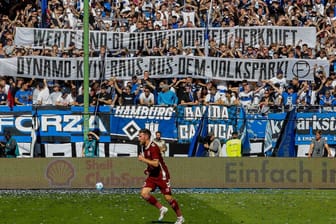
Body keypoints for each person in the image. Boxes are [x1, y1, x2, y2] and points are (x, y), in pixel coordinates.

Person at [137, 129, 184, 224]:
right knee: (144, 193)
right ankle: (162, 208)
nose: (139, 138)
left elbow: (156, 163)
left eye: (140, 136)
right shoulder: (144, 147)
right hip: (153, 175)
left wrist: (143, 159)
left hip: (162, 175)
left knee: (168, 198)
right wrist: (148, 169)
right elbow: (152, 164)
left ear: (146, 136)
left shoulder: (153, 147)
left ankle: (180, 218)